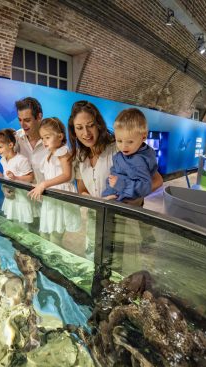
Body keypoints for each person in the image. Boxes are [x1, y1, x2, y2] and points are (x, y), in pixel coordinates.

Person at [68, 100, 163, 258]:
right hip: (96, 219)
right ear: (74, 131)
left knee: (120, 267)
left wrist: (129, 197)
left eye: (90, 125)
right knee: (95, 260)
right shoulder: (80, 156)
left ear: (98, 124)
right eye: (79, 128)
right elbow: (82, 188)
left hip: (122, 219)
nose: (86, 133)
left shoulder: (119, 148)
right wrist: (94, 201)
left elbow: (156, 180)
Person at [28, 118, 81, 244]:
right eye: (42, 138)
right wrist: (39, 185)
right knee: (44, 232)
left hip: (60, 196)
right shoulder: (49, 154)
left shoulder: (63, 152)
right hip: (51, 197)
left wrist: (44, 184)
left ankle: (53, 259)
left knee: (55, 236)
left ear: (60, 136)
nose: (44, 141)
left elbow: (67, 175)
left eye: (47, 137)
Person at [102, 108, 158, 201]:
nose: (124, 147)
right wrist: (110, 185)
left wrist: (120, 185)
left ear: (143, 136)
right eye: (119, 141)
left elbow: (145, 187)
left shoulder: (139, 161)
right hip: (113, 195)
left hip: (124, 202)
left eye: (130, 142)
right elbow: (114, 172)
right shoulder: (122, 155)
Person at [0, 129, 36, 226]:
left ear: (11, 145)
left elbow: (31, 177)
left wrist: (16, 178)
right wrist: (1, 175)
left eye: (0, 147)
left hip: (22, 198)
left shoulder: (21, 160)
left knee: (24, 224)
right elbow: (8, 176)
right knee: (14, 224)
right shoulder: (3, 160)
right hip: (11, 197)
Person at [15, 97, 48, 184]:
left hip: (45, 196)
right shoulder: (15, 138)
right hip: (19, 196)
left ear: (39, 117)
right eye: (20, 120)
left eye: (27, 120)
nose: (22, 124)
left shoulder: (54, 141)